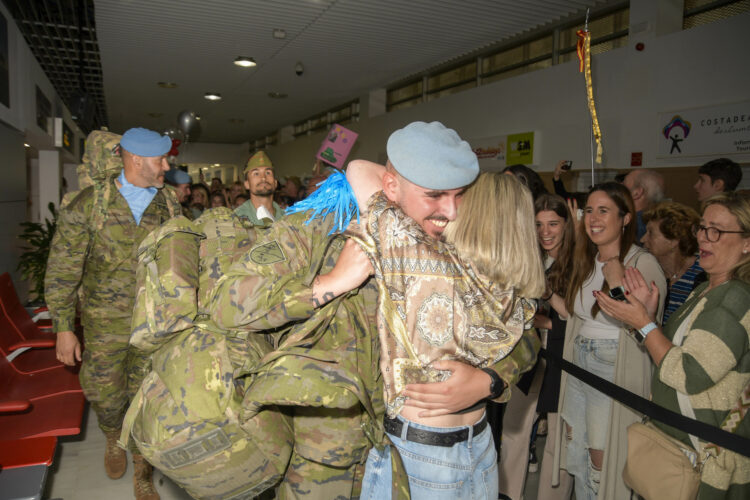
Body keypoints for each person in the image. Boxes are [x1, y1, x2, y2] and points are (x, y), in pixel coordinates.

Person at [209, 121, 540, 499]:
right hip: (328, 455)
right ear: (391, 184)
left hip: (427, 449)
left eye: (460, 193)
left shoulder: (459, 235)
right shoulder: (321, 224)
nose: (449, 210)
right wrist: (328, 284)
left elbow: (521, 329)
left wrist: (490, 380)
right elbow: (227, 302)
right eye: (434, 195)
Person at [344, 164, 543, 499]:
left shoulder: (425, 258)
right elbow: (529, 343)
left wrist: (438, 186)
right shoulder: (515, 290)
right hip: (479, 442)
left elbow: (358, 170)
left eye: (459, 198)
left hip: (420, 451)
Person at [45, 127, 180, 500]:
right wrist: (63, 328)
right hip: (104, 322)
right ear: (136, 160)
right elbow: (62, 269)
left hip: (153, 323)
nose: (166, 167)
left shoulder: (168, 204)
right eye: (160, 160)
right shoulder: (89, 204)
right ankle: (111, 435)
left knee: (147, 397)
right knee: (105, 395)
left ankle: (142, 471)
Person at [595, 191, 750, 500]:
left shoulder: (734, 297)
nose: (704, 238)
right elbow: (674, 353)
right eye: (702, 228)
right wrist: (648, 319)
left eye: (716, 231)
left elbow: (689, 375)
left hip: (702, 452)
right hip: (680, 442)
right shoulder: (707, 289)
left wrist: (644, 323)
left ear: (747, 243)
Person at [553, 182, 667, 500]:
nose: (593, 218)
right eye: (589, 210)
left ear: (626, 218)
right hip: (579, 363)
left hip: (613, 366)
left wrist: (616, 273)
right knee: (576, 451)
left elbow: (641, 323)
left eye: (604, 210)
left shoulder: (642, 263)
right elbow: (575, 316)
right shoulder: (586, 260)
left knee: (602, 458)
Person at [533, 193, 577, 500]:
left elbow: (574, 316)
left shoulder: (578, 262)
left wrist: (543, 318)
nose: (545, 232)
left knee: (560, 442)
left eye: (553, 224)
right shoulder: (536, 257)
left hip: (565, 355)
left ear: (567, 225)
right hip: (536, 353)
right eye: (538, 224)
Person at [640, 201, 705, 323]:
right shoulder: (647, 271)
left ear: (674, 240)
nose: (643, 239)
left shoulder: (702, 274)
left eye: (651, 233)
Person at [234, 150, 284, 225]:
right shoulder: (237, 219)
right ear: (247, 184)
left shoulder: (286, 217)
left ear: (275, 183)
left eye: (268, 173)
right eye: (256, 174)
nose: (263, 177)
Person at [622, 169, 665, 241]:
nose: (618, 191)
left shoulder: (632, 225)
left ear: (637, 193)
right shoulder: (660, 221)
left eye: (624, 186)